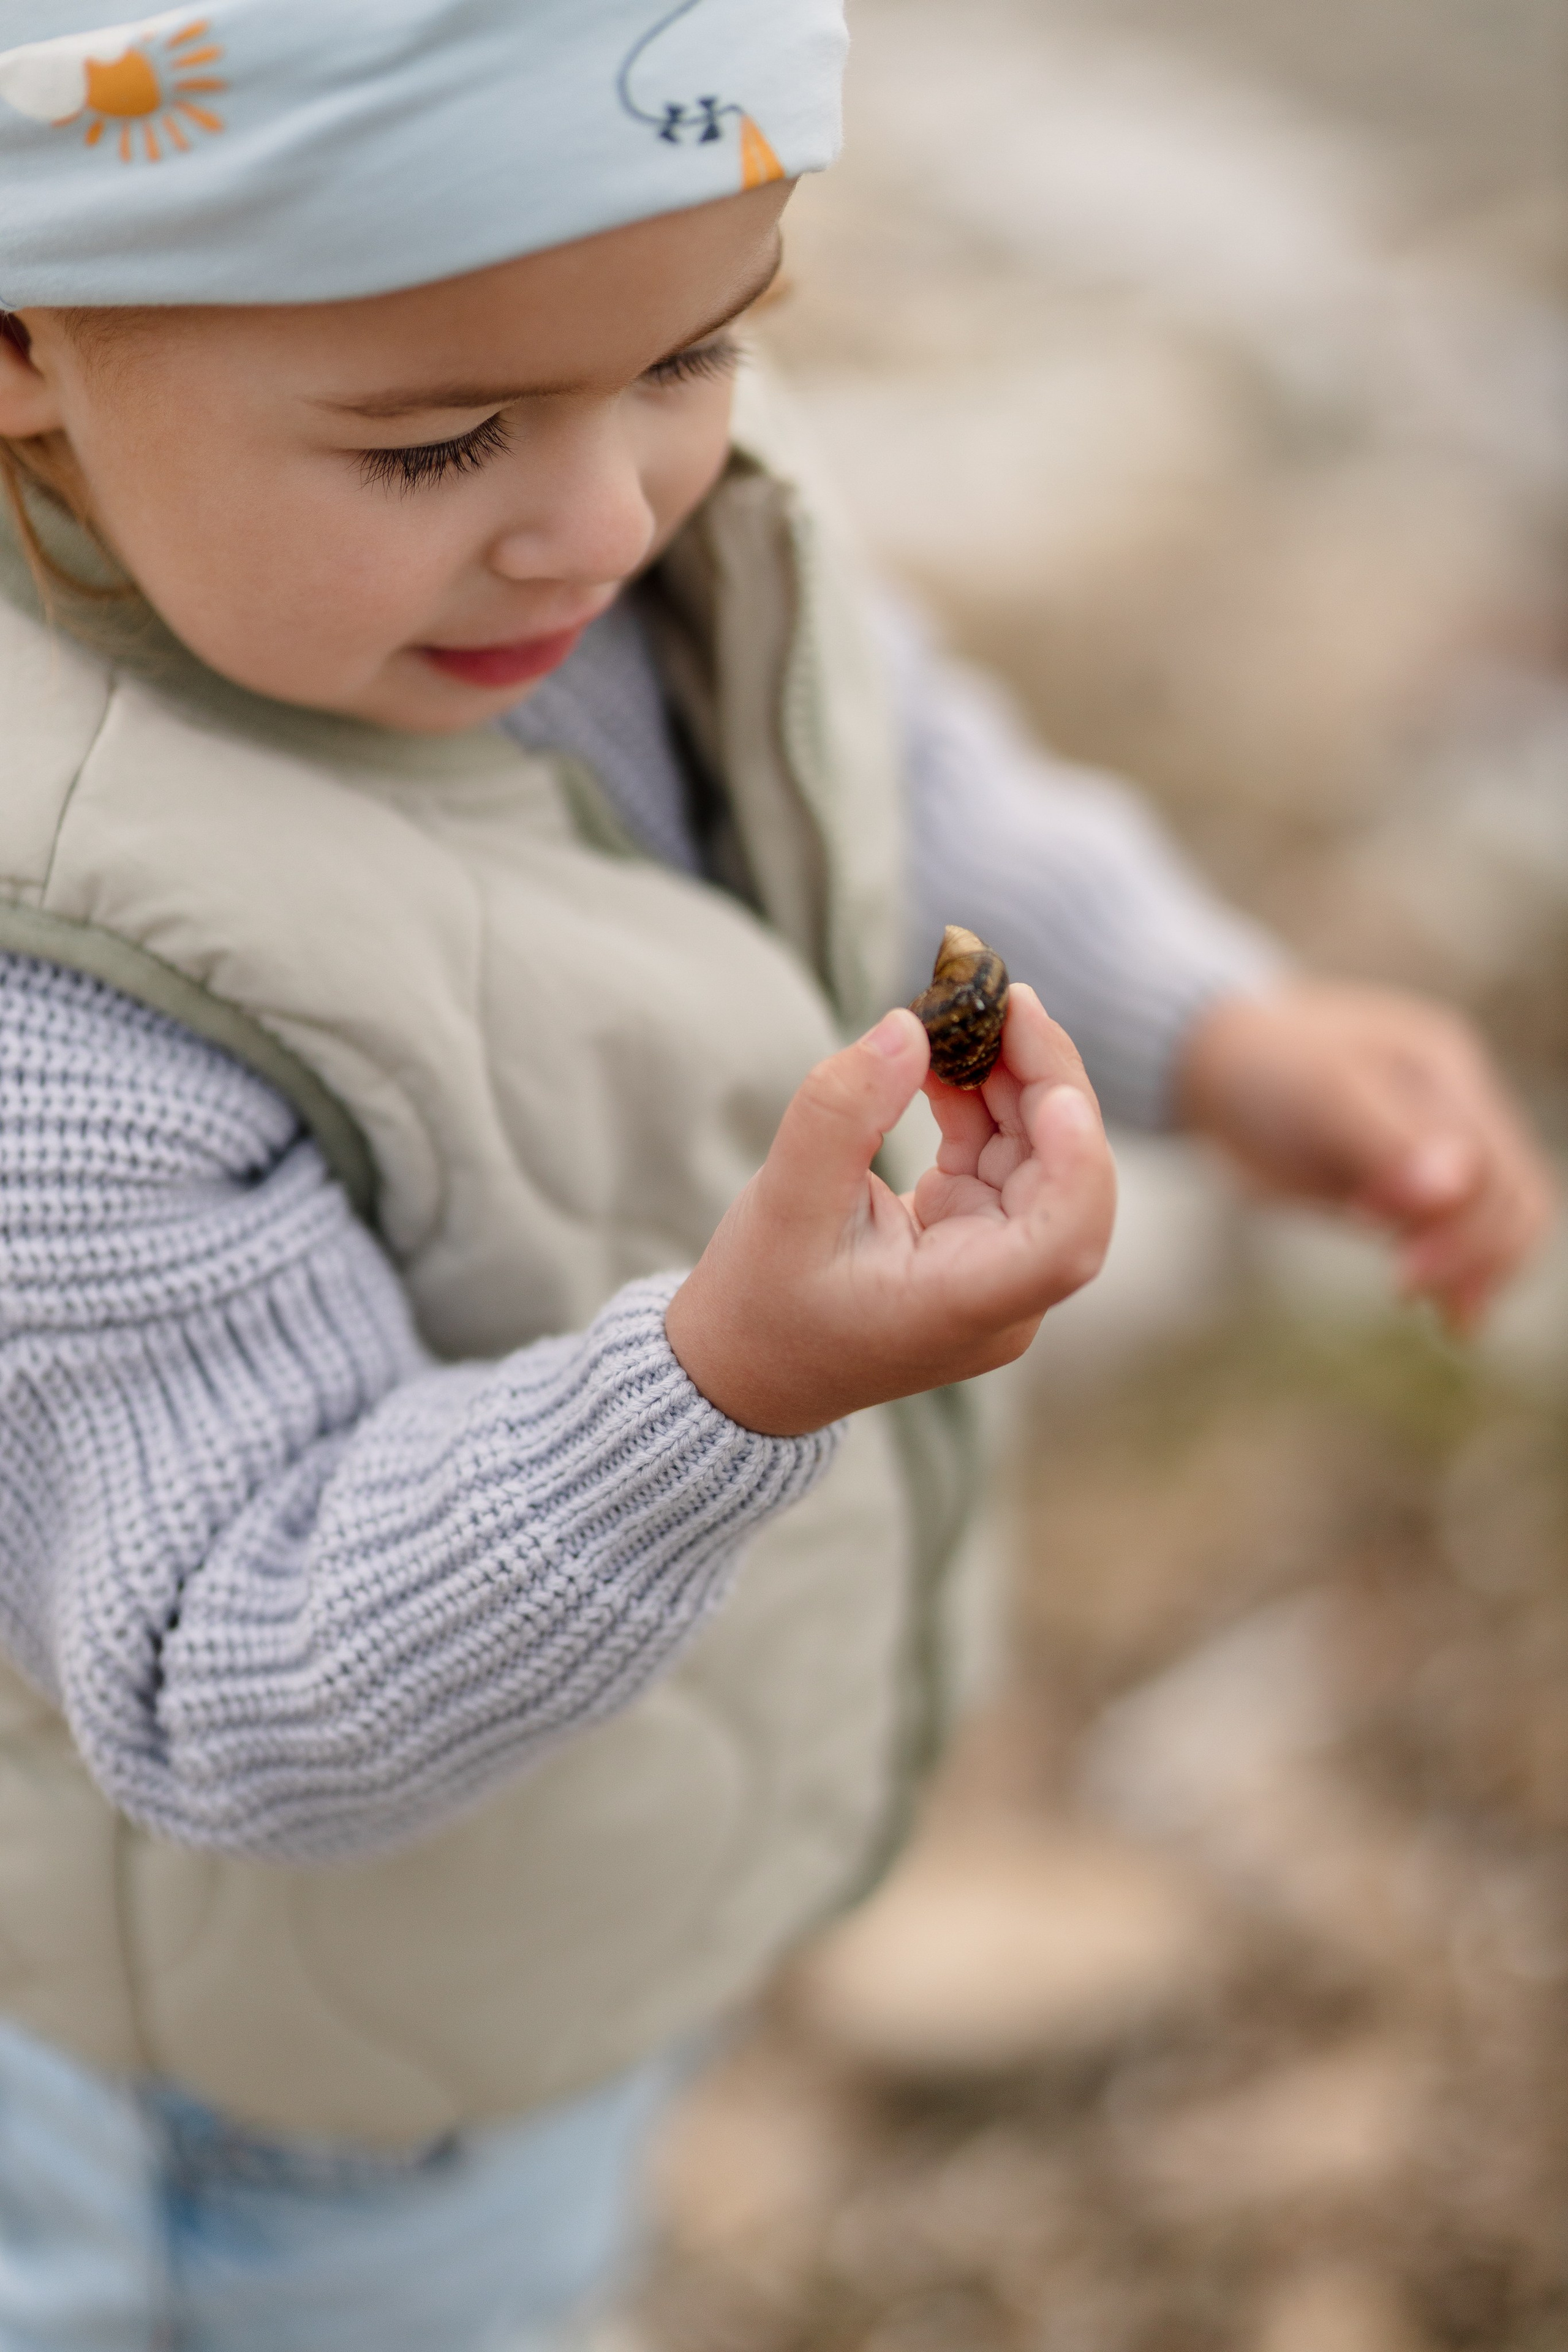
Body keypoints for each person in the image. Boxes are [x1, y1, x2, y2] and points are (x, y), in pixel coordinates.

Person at [0, 2, 1551, 2345]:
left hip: (533, 1909)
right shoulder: (74, 1001)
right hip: (244, 2069)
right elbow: (230, 1658)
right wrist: (718, 1386)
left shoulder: (614, 494)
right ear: (25, 340)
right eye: (435, 444)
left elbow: (870, 778)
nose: (615, 516)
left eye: (704, 353)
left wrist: (1216, 1028)